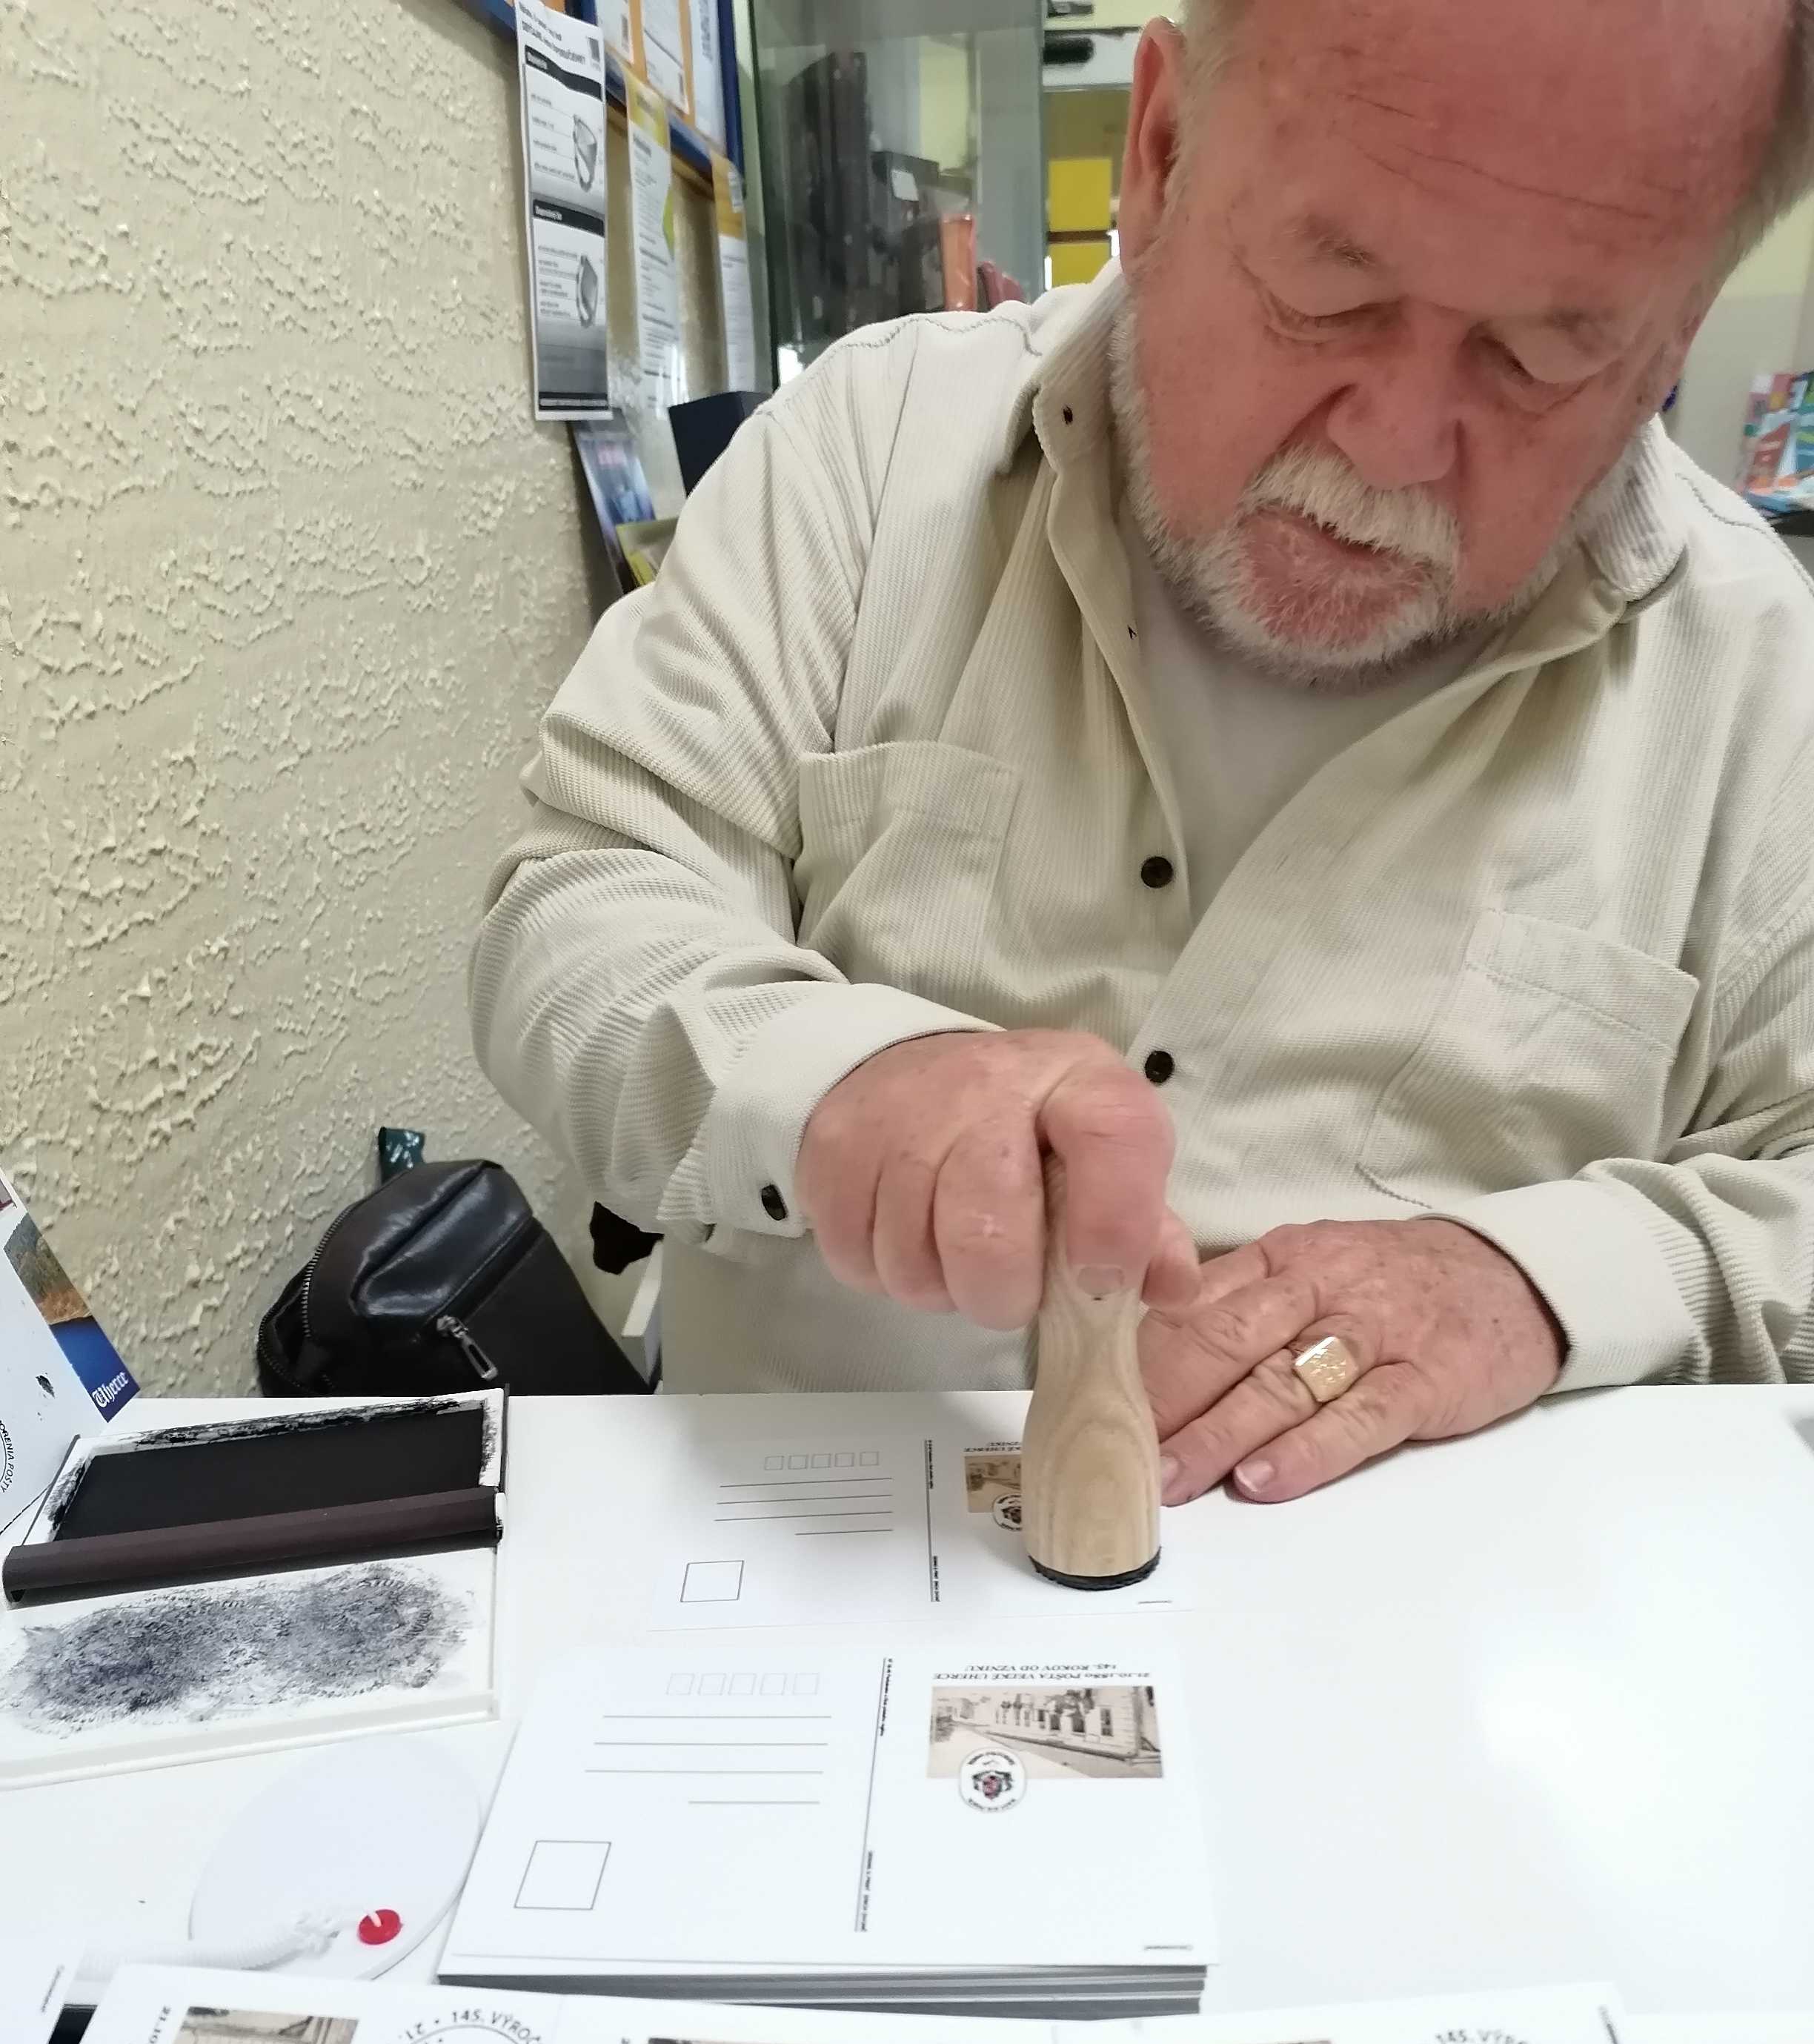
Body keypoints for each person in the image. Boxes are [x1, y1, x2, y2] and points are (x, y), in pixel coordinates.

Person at [472, 0, 1814, 1507]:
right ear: (1159, 152)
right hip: (812, 1553)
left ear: (1676, 336)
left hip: (1455, 1617)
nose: (1392, 443)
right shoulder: (868, 451)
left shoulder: (1763, 672)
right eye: (1329, 288)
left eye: (1542, 356)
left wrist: (1546, 1280)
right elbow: (578, 905)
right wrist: (838, 1082)